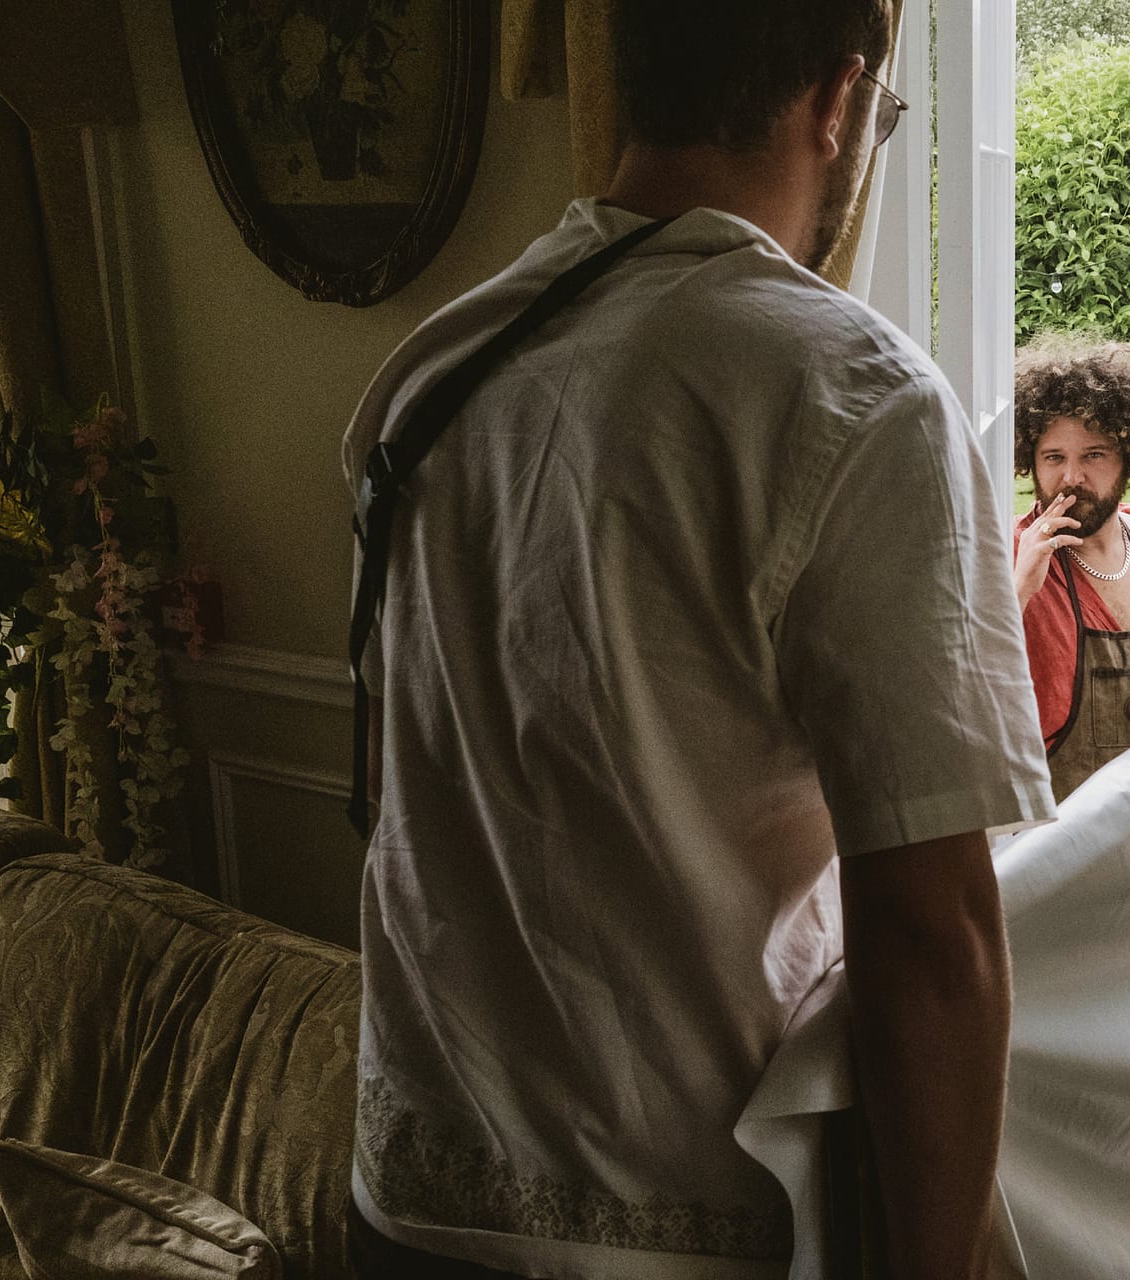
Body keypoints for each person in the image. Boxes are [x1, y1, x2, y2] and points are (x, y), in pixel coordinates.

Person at [340, 1, 1055, 1276]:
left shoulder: (427, 370)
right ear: (836, 101)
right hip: (673, 1218)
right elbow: (932, 932)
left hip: (406, 1199)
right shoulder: (855, 396)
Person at [1011, 336, 1130, 800]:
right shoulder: (1005, 553)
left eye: (1094, 455)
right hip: (1061, 829)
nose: (1072, 478)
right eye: (1054, 457)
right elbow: (961, 692)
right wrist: (1018, 589)